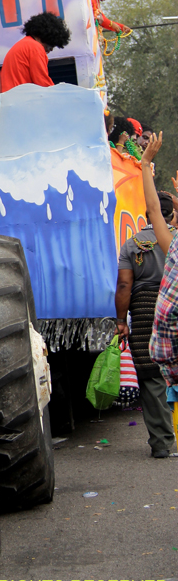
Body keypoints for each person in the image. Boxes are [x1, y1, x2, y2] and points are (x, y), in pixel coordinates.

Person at [115, 191, 177, 457]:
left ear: (147, 213)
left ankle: (161, 443)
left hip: (143, 311)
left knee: (152, 376)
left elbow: (124, 285)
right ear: (172, 214)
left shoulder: (132, 244)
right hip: (173, 304)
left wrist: (121, 320)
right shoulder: (173, 239)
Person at [143, 135, 178, 391]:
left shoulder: (174, 247)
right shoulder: (174, 247)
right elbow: (155, 211)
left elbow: (155, 211)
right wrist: (144, 165)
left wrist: (146, 164)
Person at [0, 12, 71, 93]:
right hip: (18, 99)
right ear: (48, 36)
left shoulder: (24, 44)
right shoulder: (35, 48)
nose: (50, 50)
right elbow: (42, 82)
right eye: (52, 46)